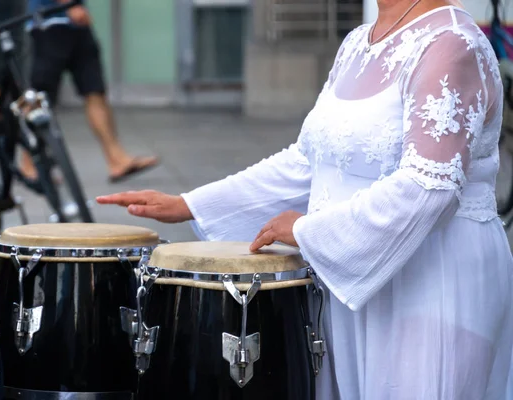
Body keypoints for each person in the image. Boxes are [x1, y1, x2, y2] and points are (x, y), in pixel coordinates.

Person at [96, 0, 513, 398]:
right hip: (347, 271)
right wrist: (190, 204)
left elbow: (429, 187)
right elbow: (308, 162)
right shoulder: (357, 43)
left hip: (430, 282)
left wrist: (307, 230)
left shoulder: (452, 44)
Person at [23, 0, 158, 182]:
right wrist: (70, 5)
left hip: (77, 24)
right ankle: (29, 164)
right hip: (50, 23)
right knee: (38, 97)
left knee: (95, 91)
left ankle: (117, 159)